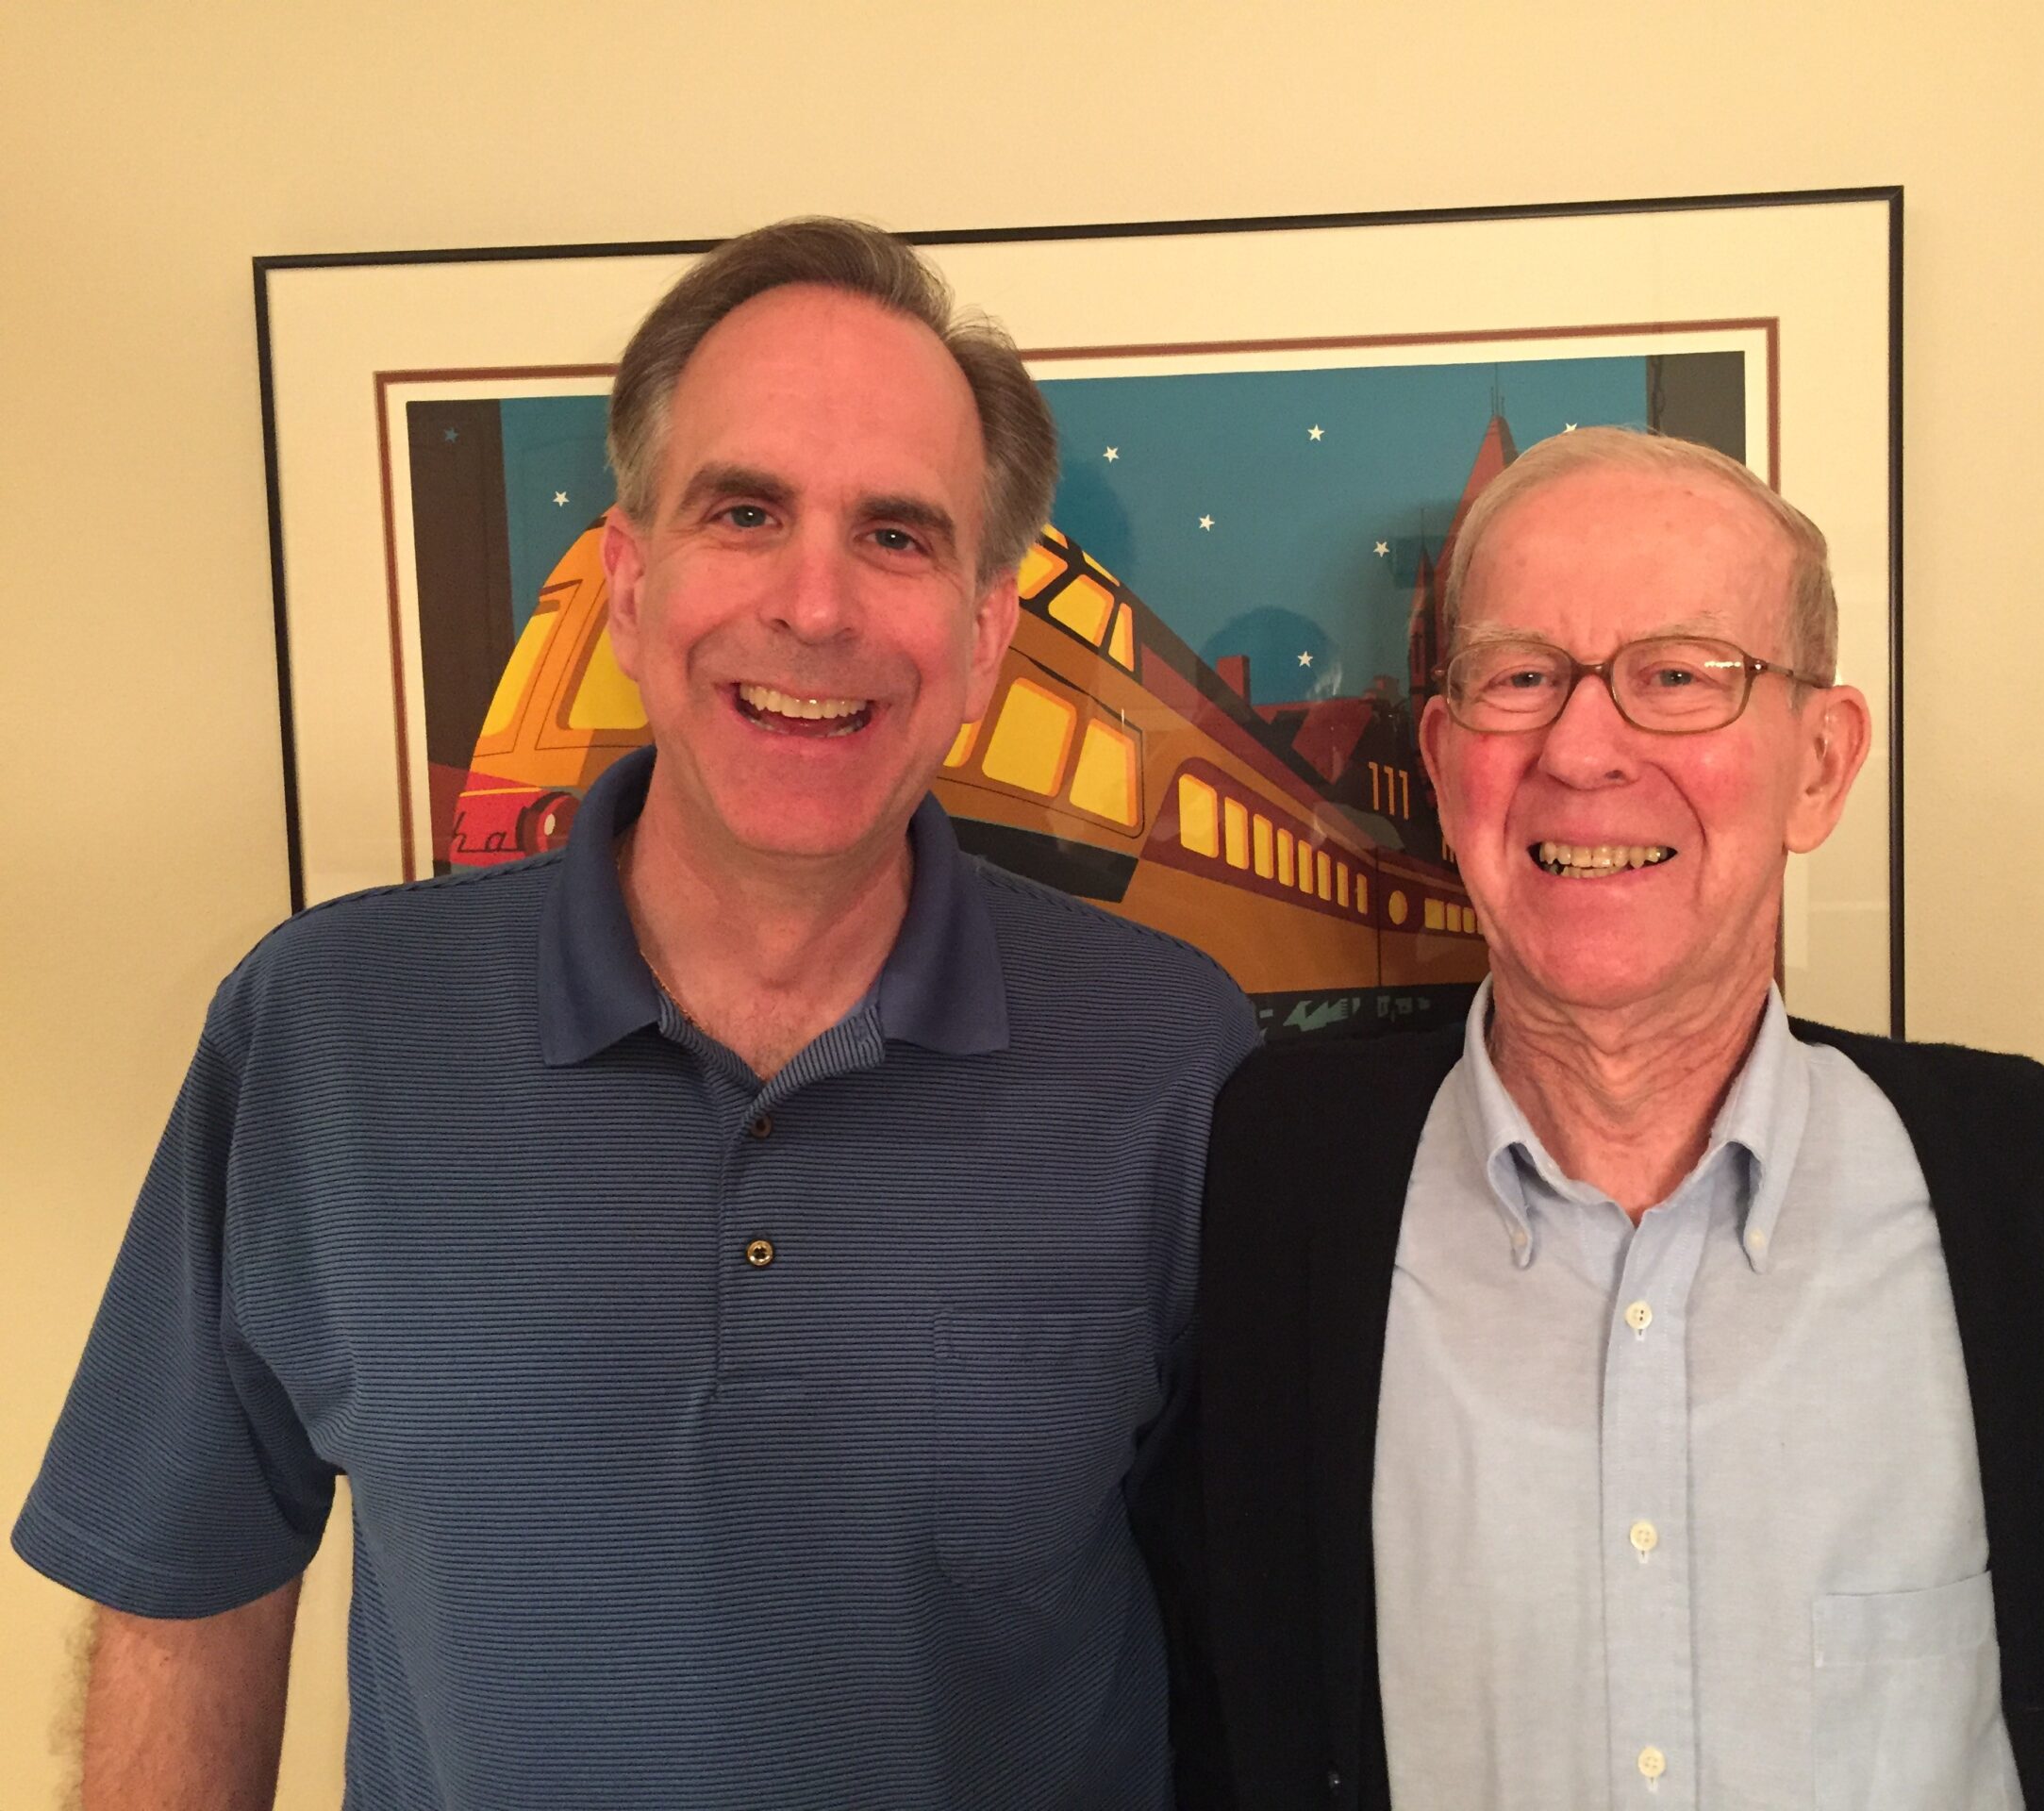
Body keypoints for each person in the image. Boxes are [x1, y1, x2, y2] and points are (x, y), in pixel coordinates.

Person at [16, 218, 1259, 1810]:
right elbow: (185, 1599)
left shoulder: (1171, 1056)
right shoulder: (323, 1035)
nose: (814, 605)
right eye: (744, 512)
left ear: (981, 636)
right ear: (627, 581)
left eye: (895, 535)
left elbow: (1248, 1627)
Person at [1161, 427, 2044, 1810]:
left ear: (1820, 764)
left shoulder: (2040, 1188)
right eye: (1521, 677)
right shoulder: (1272, 1177)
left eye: (1678, 676)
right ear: (1449, 758)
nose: (1582, 749)